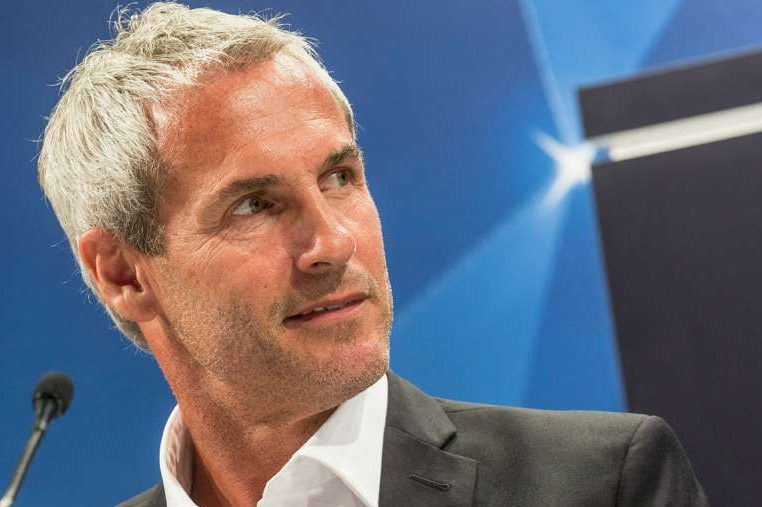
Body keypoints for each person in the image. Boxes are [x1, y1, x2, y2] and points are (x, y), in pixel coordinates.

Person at [38, 3, 709, 506]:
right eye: (253, 205)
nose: (332, 243)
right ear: (123, 274)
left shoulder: (602, 484)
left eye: (339, 177)